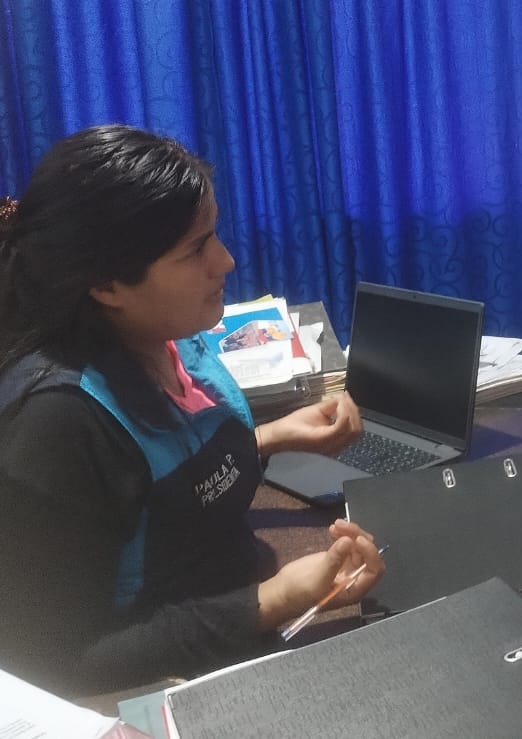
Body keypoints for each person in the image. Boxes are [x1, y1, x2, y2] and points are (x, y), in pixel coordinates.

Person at [0, 125, 385, 698]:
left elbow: (159, 482)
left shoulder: (173, 339)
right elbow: (59, 663)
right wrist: (277, 598)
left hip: (241, 634)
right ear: (107, 284)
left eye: (214, 235)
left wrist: (271, 435)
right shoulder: (54, 426)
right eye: (195, 250)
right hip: (167, 691)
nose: (225, 260)